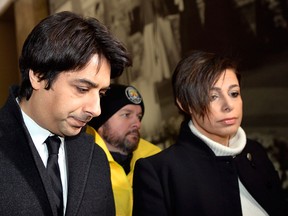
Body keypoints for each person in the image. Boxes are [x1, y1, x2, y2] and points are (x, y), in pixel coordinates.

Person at [0, 11, 132, 216]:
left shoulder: (95, 158)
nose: (96, 109)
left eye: (101, 93)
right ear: (38, 75)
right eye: (82, 89)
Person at [132, 50, 287, 216]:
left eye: (234, 93)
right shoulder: (158, 171)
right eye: (213, 96)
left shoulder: (255, 152)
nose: (228, 105)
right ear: (185, 105)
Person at [86, 83, 161, 216]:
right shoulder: (82, 165)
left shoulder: (155, 158)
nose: (137, 124)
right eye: (126, 115)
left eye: (139, 116)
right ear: (101, 123)